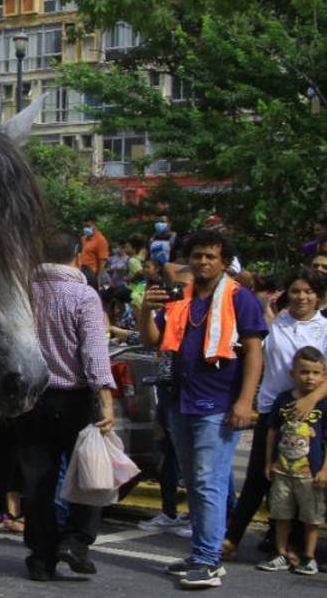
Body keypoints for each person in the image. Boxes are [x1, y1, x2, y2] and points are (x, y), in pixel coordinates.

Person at [139, 229, 268, 589]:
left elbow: (255, 352)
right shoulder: (182, 298)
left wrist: (244, 401)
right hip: (181, 401)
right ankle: (200, 552)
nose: (203, 262)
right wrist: (145, 311)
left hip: (217, 405)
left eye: (211, 256)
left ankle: (209, 560)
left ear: (224, 261)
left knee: (209, 482)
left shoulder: (240, 299)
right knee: (194, 483)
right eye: (198, 255)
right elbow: (153, 341)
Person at [17, 231, 115, 582]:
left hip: (31, 399)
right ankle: (75, 541)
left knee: (38, 484)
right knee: (88, 475)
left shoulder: (25, 292)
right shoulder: (84, 296)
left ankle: (41, 556)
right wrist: (106, 399)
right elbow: (93, 352)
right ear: (77, 256)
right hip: (75, 400)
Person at [224, 267, 327, 557]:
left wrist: (310, 400)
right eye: (295, 291)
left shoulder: (325, 328)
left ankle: (293, 545)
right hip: (272, 410)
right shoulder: (275, 323)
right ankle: (232, 538)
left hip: (312, 415)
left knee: (303, 481)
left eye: (308, 291)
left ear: (318, 296)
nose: (302, 297)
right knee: (259, 476)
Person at [255, 346, 326, 575]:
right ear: (292, 373)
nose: (310, 377)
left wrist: (325, 469)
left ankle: (308, 556)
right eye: (304, 371)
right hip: (283, 471)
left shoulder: (323, 404)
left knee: (311, 517)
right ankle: (281, 553)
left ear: (324, 375)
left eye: (316, 373)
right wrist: (268, 462)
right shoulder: (283, 400)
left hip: (310, 474)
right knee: (281, 514)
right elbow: (273, 432)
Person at [77, 217, 110, 286]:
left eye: (88, 226)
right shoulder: (83, 239)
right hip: (80, 272)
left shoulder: (101, 240)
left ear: (95, 226)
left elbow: (103, 261)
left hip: (91, 274)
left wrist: (98, 278)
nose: (86, 228)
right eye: (85, 226)